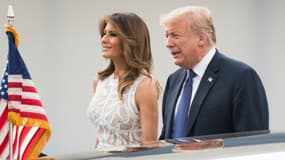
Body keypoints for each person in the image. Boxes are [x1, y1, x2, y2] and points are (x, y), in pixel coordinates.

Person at [159, 6, 269, 140]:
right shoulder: (174, 80)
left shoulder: (241, 77)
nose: (168, 43)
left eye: (175, 35)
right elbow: (167, 137)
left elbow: (253, 143)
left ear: (201, 39)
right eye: (167, 36)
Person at [86, 12, 161, 151]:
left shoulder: (145, 85)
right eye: (104, 33)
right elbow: (102, 132)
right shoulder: (100, 81)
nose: (104, 39)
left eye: (112, 34)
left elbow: (150, 146)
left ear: (131, 40)